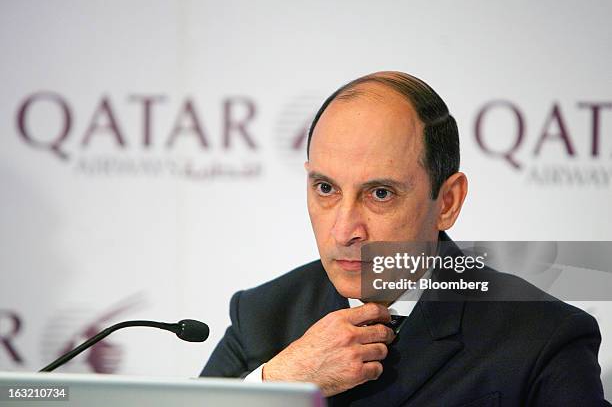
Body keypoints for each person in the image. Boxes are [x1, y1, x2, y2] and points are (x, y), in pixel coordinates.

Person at [200, 71, 608, 406]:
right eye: (325, 188)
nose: (344, 231)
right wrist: (278, 387)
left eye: (380, 194)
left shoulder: (541, 339)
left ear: (447, 201)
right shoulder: (261, 316)